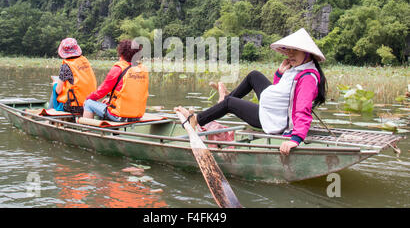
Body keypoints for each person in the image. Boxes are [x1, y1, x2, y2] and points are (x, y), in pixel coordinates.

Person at [175, 28, 328, 156]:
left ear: (307, 53)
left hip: (272, 120)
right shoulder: (297, 68)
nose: (290, 54)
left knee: (230, 103)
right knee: (254, 75)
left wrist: (295, 139)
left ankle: (197, 119)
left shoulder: (308, 77)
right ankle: (225, 99)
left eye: (295, 51)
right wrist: (280, 74)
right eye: (289, 50)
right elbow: (280, 93)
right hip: (272, 109)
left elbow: (303, 109)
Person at [83, 39, 149, 122]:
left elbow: (101, 91)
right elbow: (131, 93)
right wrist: (110, 99)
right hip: (137, 116)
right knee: (106, 103)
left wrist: (87, 98)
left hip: (119, 116)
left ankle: (88, 132)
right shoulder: (142, 70)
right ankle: (114, 133)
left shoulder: (118, 69)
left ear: (121, 53)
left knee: (88, 103)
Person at [48, 38, 97, 114]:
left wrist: (55, 84)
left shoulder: (66, 66)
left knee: (55, 88)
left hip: (74, 106)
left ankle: (48, 114)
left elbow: (58, 90)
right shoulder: (85, 61)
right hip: (89, 104)